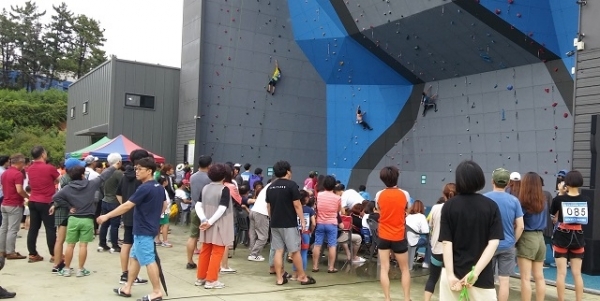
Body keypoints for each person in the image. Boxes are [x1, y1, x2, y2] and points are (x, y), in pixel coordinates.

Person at [99, 157, 166, 301]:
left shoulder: (144, 188)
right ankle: (127, 287)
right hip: (146, 228)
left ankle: (156, 291)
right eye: (136, 168)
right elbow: (164, 205)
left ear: (149, 171)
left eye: (140, 169)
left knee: (148, 260)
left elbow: (127, 205)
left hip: (143, 230)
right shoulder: (158, 187)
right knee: (134, 258)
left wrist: (106, 216)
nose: (136, 171)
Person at [439, 160, 504, 300]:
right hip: (482, 277)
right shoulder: (491, 206)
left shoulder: (449, 206)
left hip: (453, 276)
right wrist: (475, 273)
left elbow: (446, 243)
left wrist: (451, 275)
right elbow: (493, 243)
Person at [53, 155, 121, 277]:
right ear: (82, 175)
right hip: (87, 219)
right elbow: (103, 176)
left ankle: (67, 269)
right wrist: (115, 166)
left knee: (70, 245)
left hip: (73, 219)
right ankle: (80, 269)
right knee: (83, 245)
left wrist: (69, 206)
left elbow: (56, 197)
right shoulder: (91, 185)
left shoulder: (67, 188)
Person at [266, 160, 316, 286]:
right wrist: (303, 221)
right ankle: (302, 277)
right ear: (288, 171)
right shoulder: (291, 185)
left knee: (278, 250)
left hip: (275, 223)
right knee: (295, 251)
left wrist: (272, 219)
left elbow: (269, 206)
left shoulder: (271, 186)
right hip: (289, 223)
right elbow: (297, 204)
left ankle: (279, 278)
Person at [483, 168, 524, 301]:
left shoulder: (484, 198)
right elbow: (521, 226)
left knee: (488, 281)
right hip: (508, 245)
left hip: (489, 245)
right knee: (504, 281)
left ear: (492, 181)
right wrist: (513, 240)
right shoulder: (514, 201)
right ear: (507, 183)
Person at [193, 163, 234, 289]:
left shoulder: (205, 188)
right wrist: (210, 222)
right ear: (224, 176)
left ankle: (201, 278)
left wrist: (204, 220)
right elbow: (222, 209)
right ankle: (211, 280)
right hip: (219, 224)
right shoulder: (224, 189)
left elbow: (198, 205)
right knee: (217, 252)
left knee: (205, 250)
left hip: (205, 223)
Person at [374, 166, 411, 301]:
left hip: (383, 235)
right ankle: (407, 298)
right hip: (399, 235)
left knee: (384, 268)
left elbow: (379, 209)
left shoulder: (379, 194)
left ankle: (387, 298)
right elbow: (407, 210)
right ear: (397, 176)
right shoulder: (404, 194)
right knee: (405, 269)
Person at [115, 150, 152, 285]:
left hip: (127, 214)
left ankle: (125, 273)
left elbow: (118, 193)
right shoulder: (141, 178)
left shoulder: (125, 175)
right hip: (139, 216)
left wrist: (125, 206)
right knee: (136, 247)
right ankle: (132, 275)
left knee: (126, 244)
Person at [551, 170, 587, 301]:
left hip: (562, 235)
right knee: (577, 274)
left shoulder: (559, 199)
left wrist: (560, 193)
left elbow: (552, 215)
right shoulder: (586, 199)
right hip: (579, 235)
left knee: (561, 273)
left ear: (566, 182)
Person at [516, 172, 548, 301]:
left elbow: (519, 224)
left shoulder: (523, 202)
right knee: (539, 276)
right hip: (541, 238)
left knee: (525, 277)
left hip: (527, 238)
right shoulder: (543, 201)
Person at [26, 146, 60, 263]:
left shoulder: (30, 168)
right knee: (50, 229)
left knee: (33, 228)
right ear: (42, 154)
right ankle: (54, 254)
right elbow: (59, 180)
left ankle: (32, 254)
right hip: (46, 201)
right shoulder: (49, 168)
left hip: (33, 200)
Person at [50, 157, 84, 273]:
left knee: (60, 239)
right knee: (61, 239)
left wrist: (54, 205)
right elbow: (63, 196)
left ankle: (57, 263)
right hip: (65, 211)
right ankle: (57, 264)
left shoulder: (65, 178)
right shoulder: (68, 180)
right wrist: (69, 206)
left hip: (61, 209)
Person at [423, 183, 456, 301]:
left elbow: (430, 225)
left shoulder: (436, 208)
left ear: (444, 194)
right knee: (452, 279)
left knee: (432, 278)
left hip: (437, 250)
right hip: (453, 253)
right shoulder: (458, 209)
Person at [311, 175, 343, 273]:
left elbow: (317, 207)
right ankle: (331, 267)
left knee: (317, 245)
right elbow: (338, 210)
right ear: (334, 185)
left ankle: (315, 266)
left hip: (320, 223)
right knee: (332, 245)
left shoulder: (319, 195)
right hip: (332, 224)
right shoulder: (337, 198)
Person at [0, 154, 29, 260]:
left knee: (3, 228)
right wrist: (27, 197)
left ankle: (2, 250)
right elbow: (19, 190)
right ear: (20, 163)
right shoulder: (18, 174)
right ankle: (10, 251)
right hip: (14, 204)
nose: (24, 165)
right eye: (24, 163)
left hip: (4, 203)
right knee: (13, 229)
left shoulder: (5, 173)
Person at [186, 155, 212, 269]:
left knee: (193, 236)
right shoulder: (209, 178)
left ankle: (190, 261)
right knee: (207, 239)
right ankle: (205, 263)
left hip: (194, 208)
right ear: (209, 165)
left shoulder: (192, 177)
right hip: (207, 210)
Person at [98, 154, 125, 253]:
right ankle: (114, 245)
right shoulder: (118, 173)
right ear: (118, 162)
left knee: (104, 224)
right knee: (114, 225)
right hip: (115, 202)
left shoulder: (104, 172)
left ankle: (102, 244)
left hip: (105, 200)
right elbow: (123, 186)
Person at [292, 190, 315, 279]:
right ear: (306, 199)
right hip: (305, 233)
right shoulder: (309, 210)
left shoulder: (294, 208)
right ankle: (302, 273)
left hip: (295, 233)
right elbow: (314, 223)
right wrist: (311, 231)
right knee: (304, 253)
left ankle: (294, 274)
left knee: (295, 252)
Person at [248, 182, 271, 262]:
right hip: (261, 213)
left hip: (253, 211)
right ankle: (254, 254)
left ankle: (253, 254)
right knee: (263, 237)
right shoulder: (274, 188)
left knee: (253, 234)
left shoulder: (267, 187)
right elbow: (269, 204)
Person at [406, 200, 430, 271]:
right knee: (429, 243)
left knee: (417, 239)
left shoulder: (408, 216)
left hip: (405, 241)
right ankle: (426, 263)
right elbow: (426, 231)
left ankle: (412, 257)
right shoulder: (421, 216)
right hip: (414, 241)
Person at [156, 175, 172, 248]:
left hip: (158, 210)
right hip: (163, 211)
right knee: (165, 225)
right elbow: (166, 202)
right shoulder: (163, 190)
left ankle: (157, 239)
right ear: (165, 182)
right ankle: (165, 241)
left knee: (158, 226)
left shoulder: (157, 189)